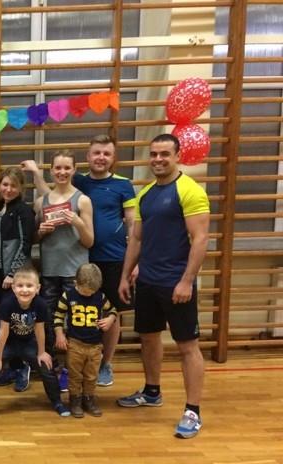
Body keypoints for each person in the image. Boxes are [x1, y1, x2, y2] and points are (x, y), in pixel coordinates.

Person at [117, 134, 210, 439]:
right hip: (147, 280)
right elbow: (137, 238)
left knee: (187, 346)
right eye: (154, 154)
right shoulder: (146, 194)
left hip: (176, 283)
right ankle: (152, 391)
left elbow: (200, 239)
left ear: (177, 156)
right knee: (148, 337)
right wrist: (125, 276)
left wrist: (186, 280)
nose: (158, 159)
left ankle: (192, 411)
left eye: (165, 154)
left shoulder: (189, 190)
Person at [70, 135, 136, 387]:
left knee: (111, 313)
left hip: (113, 258)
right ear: (88, 156)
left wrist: (135, 261)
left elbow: (133, 224)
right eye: (96, 153)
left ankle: (105, 364)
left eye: (106, 153)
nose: (101, 157)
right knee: (78, 311)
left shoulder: (123, 185)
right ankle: (77, 362)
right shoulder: (78, 181)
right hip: (81, 258)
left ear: (113, 158)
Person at [0, 266, 70, 422]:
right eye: (20, 286)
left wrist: (42, 352)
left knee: (46, 365)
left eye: (29, 286)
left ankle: (57, 402)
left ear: (37, 288)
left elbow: (39, 330)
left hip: (28, 342)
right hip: (7, 342)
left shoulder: (40, 304)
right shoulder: (7, 304)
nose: (25, 290)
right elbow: (3, 332)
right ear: (13, 288)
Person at [24, 152, 94, 340]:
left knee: (76, 320)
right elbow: (33, 239)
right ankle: (49, 356)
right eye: (58, 168)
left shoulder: (83, 200)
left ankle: (75, 357)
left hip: (74, 271)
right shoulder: (41, 202)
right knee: (47, 318)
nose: (62, 172)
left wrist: (78, 223)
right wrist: (41, 232)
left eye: (67, 168)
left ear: (74, 169)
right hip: (50, 270)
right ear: (51, 170)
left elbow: (89, 241)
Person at [0, 167, 36, 391]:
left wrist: (12, 274)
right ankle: (11, 366)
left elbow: (25, 244)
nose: (8, 189)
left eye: (13, 185)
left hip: (13, 276)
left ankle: (23, 366)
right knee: (4, 321)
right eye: (5, 184)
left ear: (21, 188)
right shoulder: (1, 209)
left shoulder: (23, 211)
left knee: (18, 322)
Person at [53, 263, 117, 418]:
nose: (88, 295)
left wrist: (110, 319)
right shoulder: (68, 296)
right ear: (76, 283)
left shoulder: (100, 297)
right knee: (75, 375)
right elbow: (58, 316)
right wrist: (60, 335)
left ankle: (89, 398)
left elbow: (113, 310)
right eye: (85, 291)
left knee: (91, 375)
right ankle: (75, 400)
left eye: (91, 292)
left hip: (95, 346)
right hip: (75, 344)